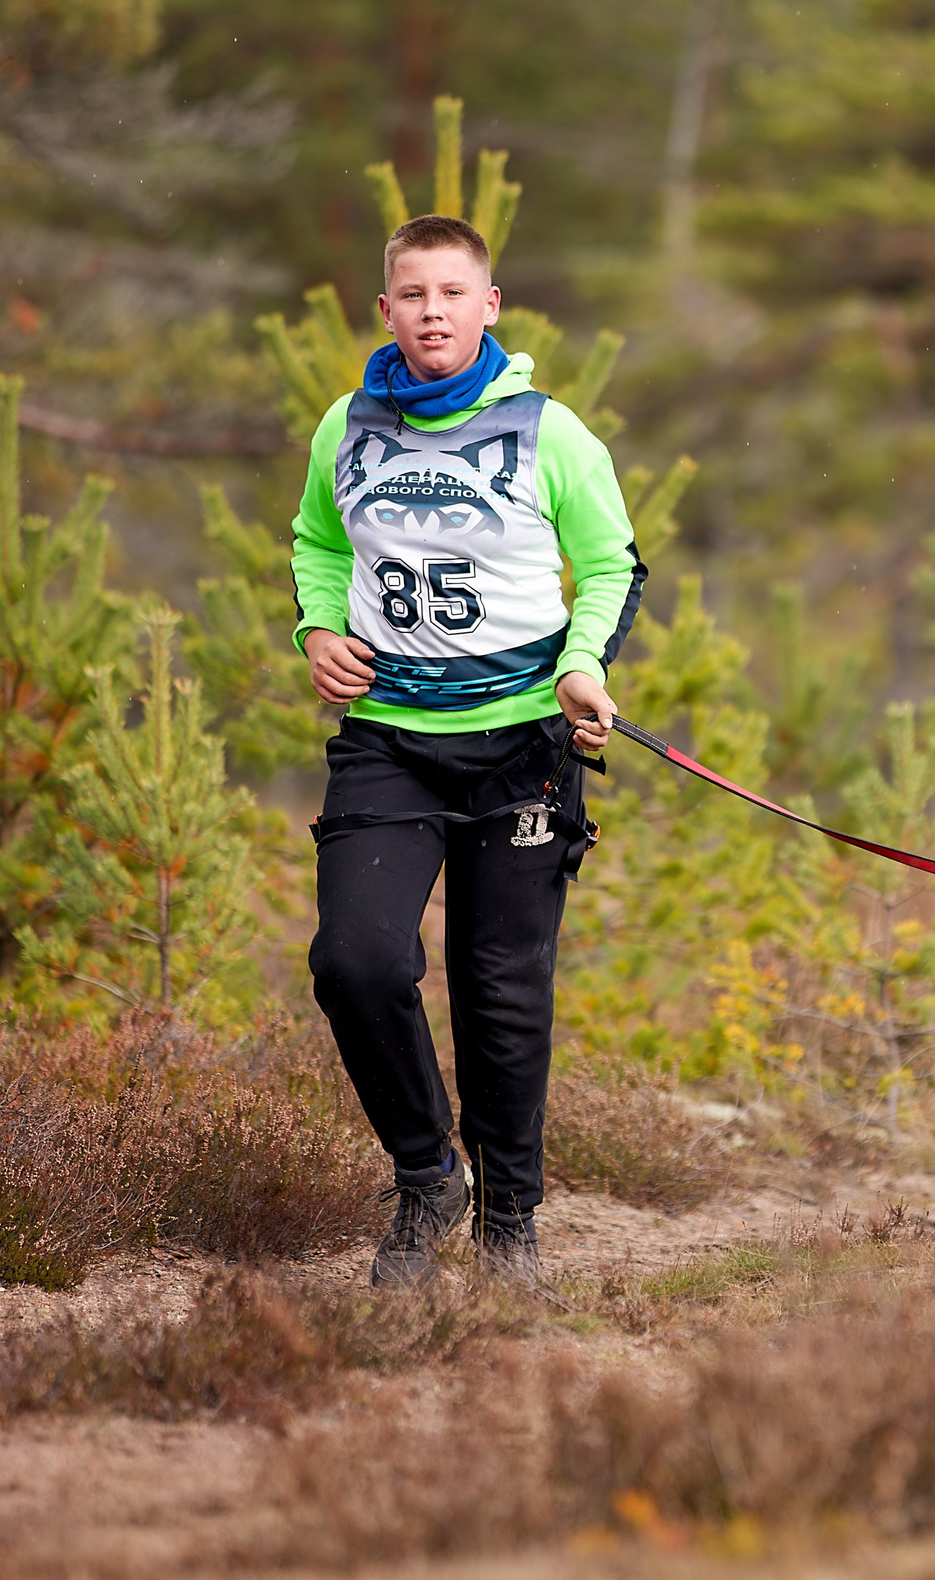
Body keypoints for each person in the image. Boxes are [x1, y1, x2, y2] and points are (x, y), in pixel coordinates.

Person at [291, 213, 641, 1285]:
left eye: (453, 293)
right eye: (412, 293)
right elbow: (316, 541)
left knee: (501, 989)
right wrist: (316, 629)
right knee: (355, 960)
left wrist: (584, 666)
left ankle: (509, 1223)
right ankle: (426, 1175)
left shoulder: (551, 432)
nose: (432, 311)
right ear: (385, 308)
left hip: (521, 744)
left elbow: (615, 564)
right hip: (390, 740)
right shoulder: (344, 426)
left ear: (489, 307)